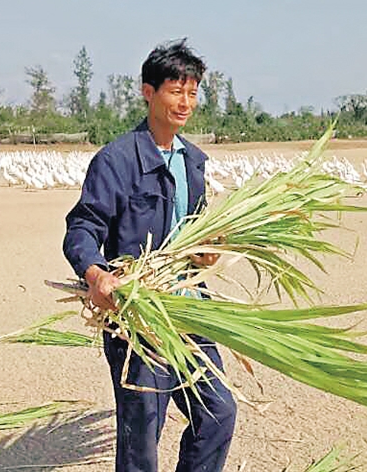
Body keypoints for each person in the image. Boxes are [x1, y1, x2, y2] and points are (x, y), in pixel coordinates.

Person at [63, 39, 237, 472]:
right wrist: (96, 275)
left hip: (190, 309)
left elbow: (194, 234)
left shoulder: (193, 161)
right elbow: (83, 227)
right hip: (136, 315)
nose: (186, 102)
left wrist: (205, 256)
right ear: (148, 92)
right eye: (176, 90)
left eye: (193, 92)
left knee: (218, 412)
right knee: (142, 434)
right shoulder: (117, 160)